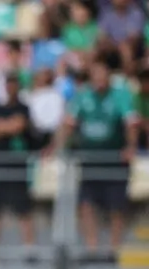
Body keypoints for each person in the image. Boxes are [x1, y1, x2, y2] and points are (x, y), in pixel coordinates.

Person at [51, 58, 136, 250]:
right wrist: (61, 148)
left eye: (103, 74)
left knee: (117, 207)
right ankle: (92, 247)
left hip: (114, 160)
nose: (99, 79)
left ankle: (114, 248)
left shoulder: (120, 95)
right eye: (96, 74)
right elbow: (69, 124)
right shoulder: (83, 95)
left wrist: (130, 147)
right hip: (90, 159)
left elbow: (131, 123)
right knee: (86, 205)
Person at [0, 74, 36, 247]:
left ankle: (29, 248)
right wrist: (8, 126)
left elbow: (18, 125)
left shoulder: (23, 108)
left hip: (17, 165)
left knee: (23, 209)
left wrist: (0, 126)